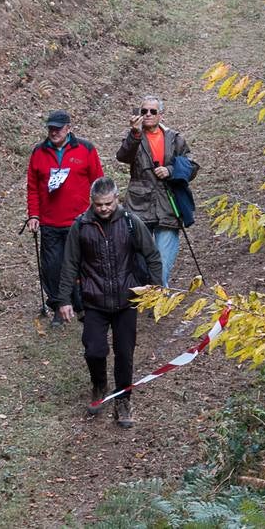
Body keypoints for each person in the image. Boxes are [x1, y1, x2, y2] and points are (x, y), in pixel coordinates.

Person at [57, 176, 161, 428]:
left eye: (108, 203)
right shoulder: (81, 226)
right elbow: (69, 264)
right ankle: (99, 385)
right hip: (94, 301)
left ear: (117, 199)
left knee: (125, 354)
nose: (103, 208)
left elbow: (153, 256)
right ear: (91, 201)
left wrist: (156, 290)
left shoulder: (130, 223)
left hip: (126, 301)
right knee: (94, 350)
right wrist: (64, 300)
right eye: (98, 204)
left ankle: (123, 400)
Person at [24, 110, 106, 325]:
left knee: (83, 265)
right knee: (52, 267)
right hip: (50, 222)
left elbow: (98, 182)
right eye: (51, 128)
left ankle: (84, 304)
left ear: (69, 128)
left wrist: (99, 211)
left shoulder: (86, 149)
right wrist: (33, 214)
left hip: (79, 221)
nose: (54, 132)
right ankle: (59, 307)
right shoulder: (39, 152)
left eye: (58, 128)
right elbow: (32, 187)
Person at [116, 95, 198, 287]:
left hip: (168, 204)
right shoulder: (135, 136)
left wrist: (170, 170)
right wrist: (134, 134)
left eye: (153, 111)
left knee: (163, 260)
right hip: (138, 205)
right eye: (144, 111)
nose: (148, 115)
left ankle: (160, 299)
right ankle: (148, 295)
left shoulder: (175, 138)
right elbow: (123, 156)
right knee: (140, 259)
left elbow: (191, 166)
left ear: (161, 115)